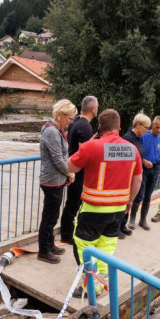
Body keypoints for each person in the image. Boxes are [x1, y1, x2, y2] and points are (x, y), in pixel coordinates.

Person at [67, 109, 142, 295]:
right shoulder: (132, 149)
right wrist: (129, 202)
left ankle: (91, 286)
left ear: (99, 127)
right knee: (106, 247)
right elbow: (138, 179)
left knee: (83, 246)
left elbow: (71, 166)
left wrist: (89, 145)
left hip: (94, 208)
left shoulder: (93, 146)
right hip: (118, 209)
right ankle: (101, 284)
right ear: (119, 127)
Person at [37, 99, 76, 264]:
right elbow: (58, 159)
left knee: (53, 215)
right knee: (50, 216)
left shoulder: (55, 129)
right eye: (70, 118)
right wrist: (70, 173)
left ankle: (50, 244)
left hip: (56, 179)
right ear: (61, 115)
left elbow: (61, 157)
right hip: (52, 180)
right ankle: (43, 250)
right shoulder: (52, 132)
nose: (71, 121)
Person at [60, 96, 98, 245]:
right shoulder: (86, 126)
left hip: (72, 166)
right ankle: (66, 234)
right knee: (73, 203)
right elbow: (84, 152)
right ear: (93, 109)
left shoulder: (76, 121)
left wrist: (93, 139)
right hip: (78, 170)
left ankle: (66, 231)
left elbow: (74, 142)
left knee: (71, 203)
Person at [130, 115, 160, 231]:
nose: (158, 130)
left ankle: (143, 220)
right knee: (139, 195)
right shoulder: (144, 135)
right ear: (152, 125)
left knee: (148, 196)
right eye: (157, 127)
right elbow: (137, 151)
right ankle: (132, 219)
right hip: (143, 167)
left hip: (155, 168)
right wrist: (143, 161)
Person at [117, 113, 150, 238]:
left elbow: (138, 155)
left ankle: (123, 225)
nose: (147, 131)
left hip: (135, 174)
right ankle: (116, 227)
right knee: (124, 201)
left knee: (131, 199)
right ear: (138, 125)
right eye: (146, 128)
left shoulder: (138, 138)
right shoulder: (127, 138)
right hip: (127, 176)